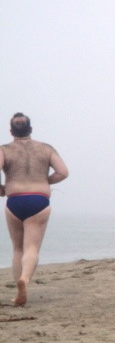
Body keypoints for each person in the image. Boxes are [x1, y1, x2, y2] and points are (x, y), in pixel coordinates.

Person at [0, 113, 69, 306]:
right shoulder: (46, 148)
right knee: (31, 247)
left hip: (15, 201)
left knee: (18, 248)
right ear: (30, 129)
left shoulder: (4, 150)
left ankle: (18, 291)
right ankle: (25, 279)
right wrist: (44, 181)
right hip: (39, 200)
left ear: (11, 131)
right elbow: (63, 172)